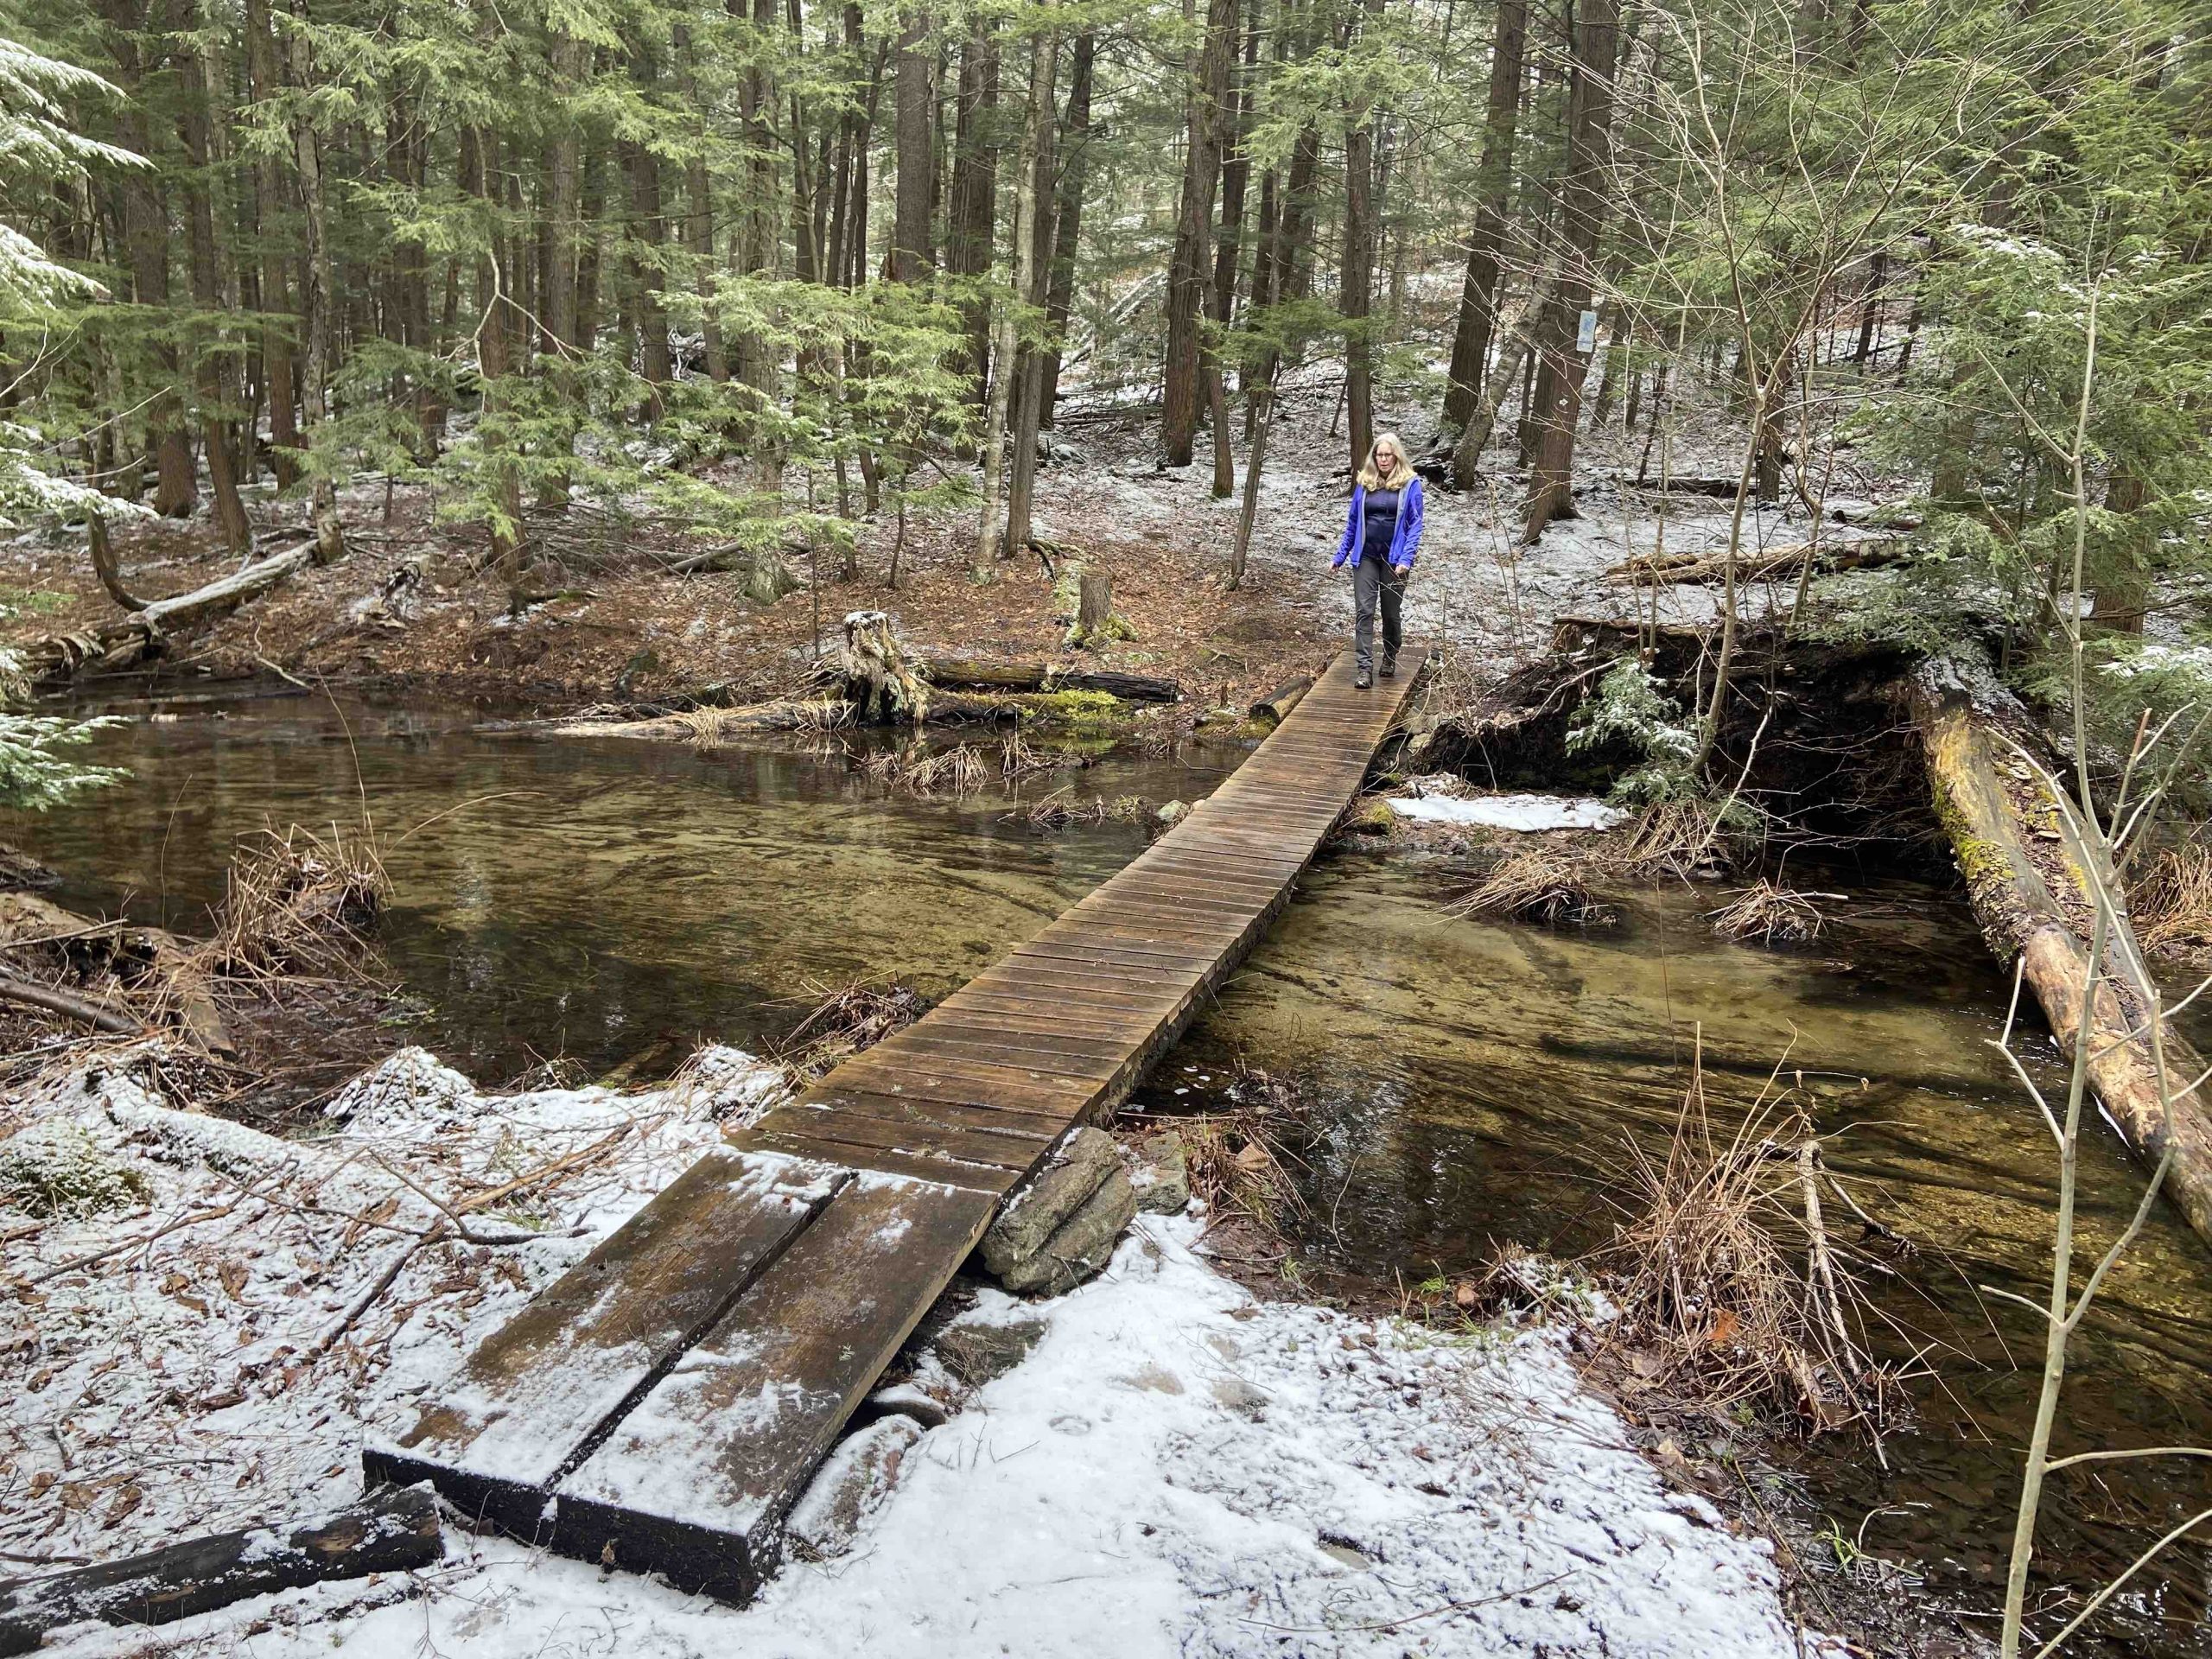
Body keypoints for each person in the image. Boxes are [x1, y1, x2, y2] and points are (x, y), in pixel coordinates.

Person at [1329, 432, 1423, 689]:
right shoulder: (1365, 483)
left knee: (1391, 614)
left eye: (1387, 455)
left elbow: (1416, 524)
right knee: (1364, 612)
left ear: (1396, 456)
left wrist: (1407, 558)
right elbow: (1353, 524)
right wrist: (1340, 556)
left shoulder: (1410, 484)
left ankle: (1390, 656)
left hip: (1395, 561)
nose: (1383, 460)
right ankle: (1364, 669)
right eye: (1379, 455)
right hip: (1366, 556)